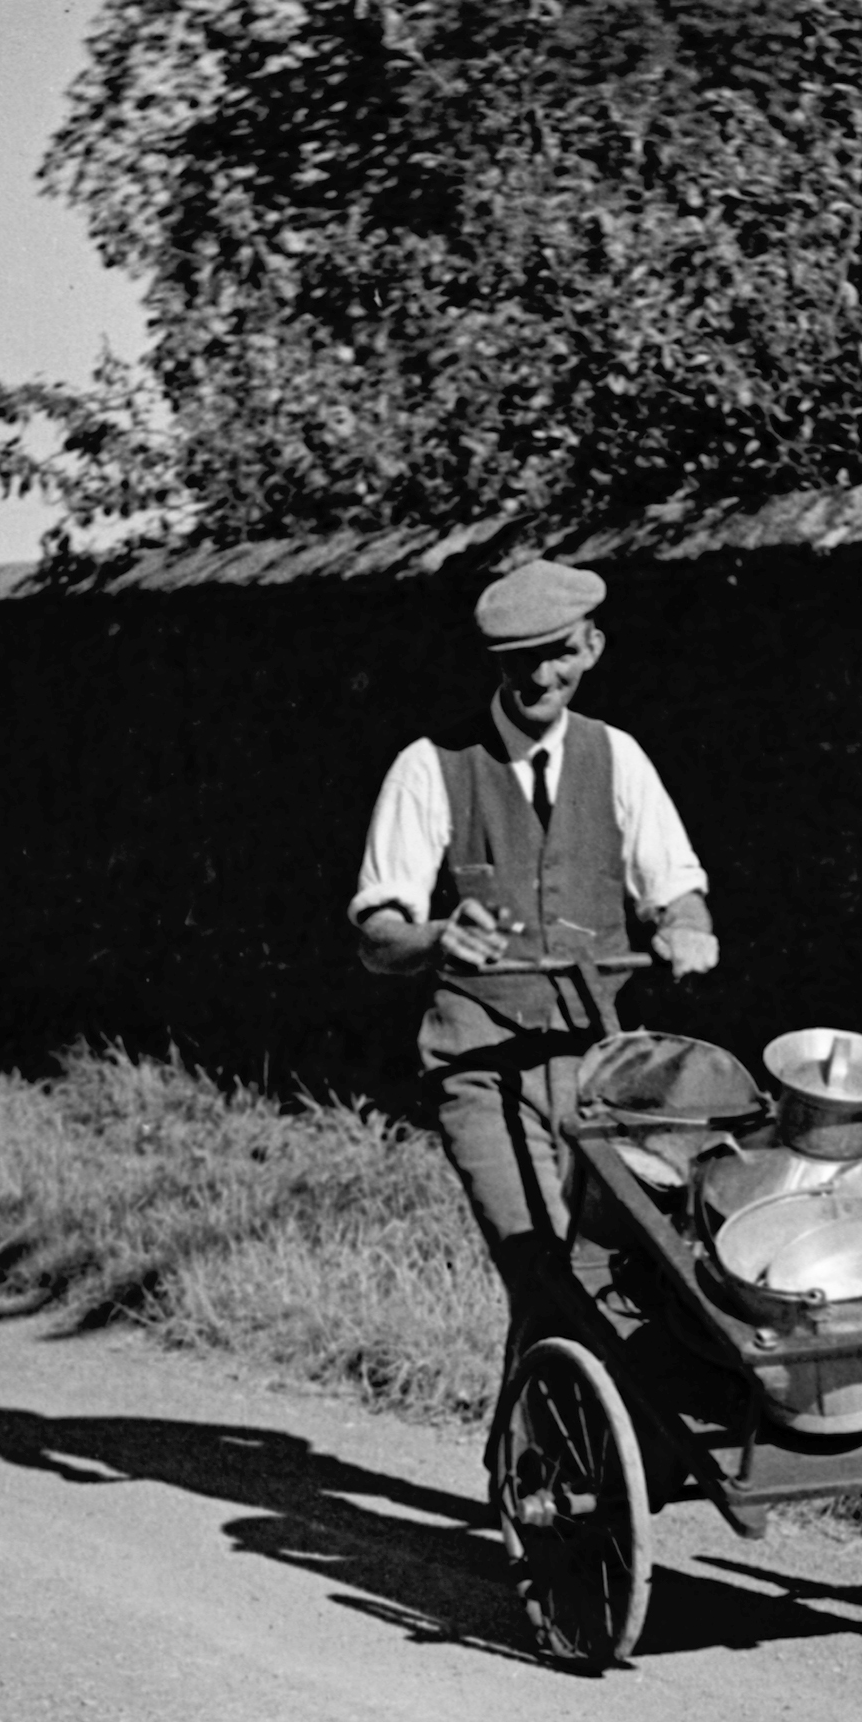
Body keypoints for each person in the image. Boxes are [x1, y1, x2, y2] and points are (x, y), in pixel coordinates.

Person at [348, 558, 719, 1326]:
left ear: (593, 647)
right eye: (520, 658)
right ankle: (558, 1439)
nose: (541, 675)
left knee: (630, 1273)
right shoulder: (430, 767)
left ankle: (570, 1443)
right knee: (541, 1264)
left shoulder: (619, 756)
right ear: (496, 662)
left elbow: (676, 890)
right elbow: (377, 940)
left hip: (602, 1067)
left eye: (559, 652)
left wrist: (686, 929)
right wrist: (439, 937)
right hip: (482, 1064)